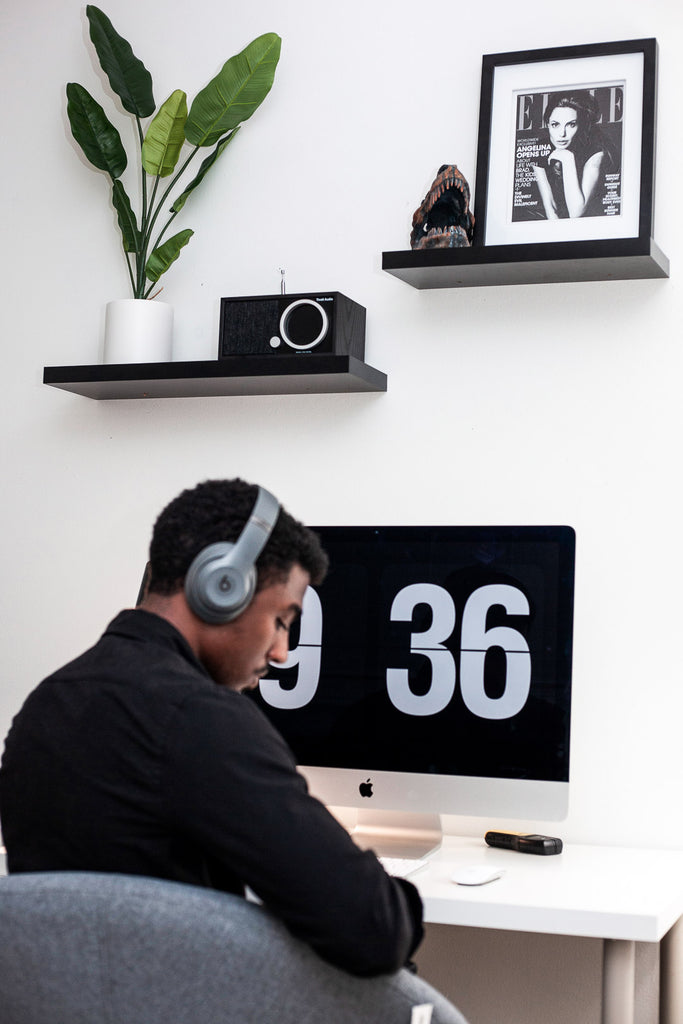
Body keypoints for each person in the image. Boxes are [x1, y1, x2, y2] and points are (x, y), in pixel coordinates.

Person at [0, 479, 425, 977]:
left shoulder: (46, 703)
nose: (282, 652)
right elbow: (374, 930)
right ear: (222, 587)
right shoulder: (200, 719)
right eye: (282, 620)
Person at [532, 90, 611, 219]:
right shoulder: (540, 148)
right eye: (555, 124)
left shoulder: (595, 153)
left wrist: (568, 159)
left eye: (571, 125)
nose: (562, 134)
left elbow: (576, 212)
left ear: (580, 125)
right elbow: (549, 206)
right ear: (547, 124)